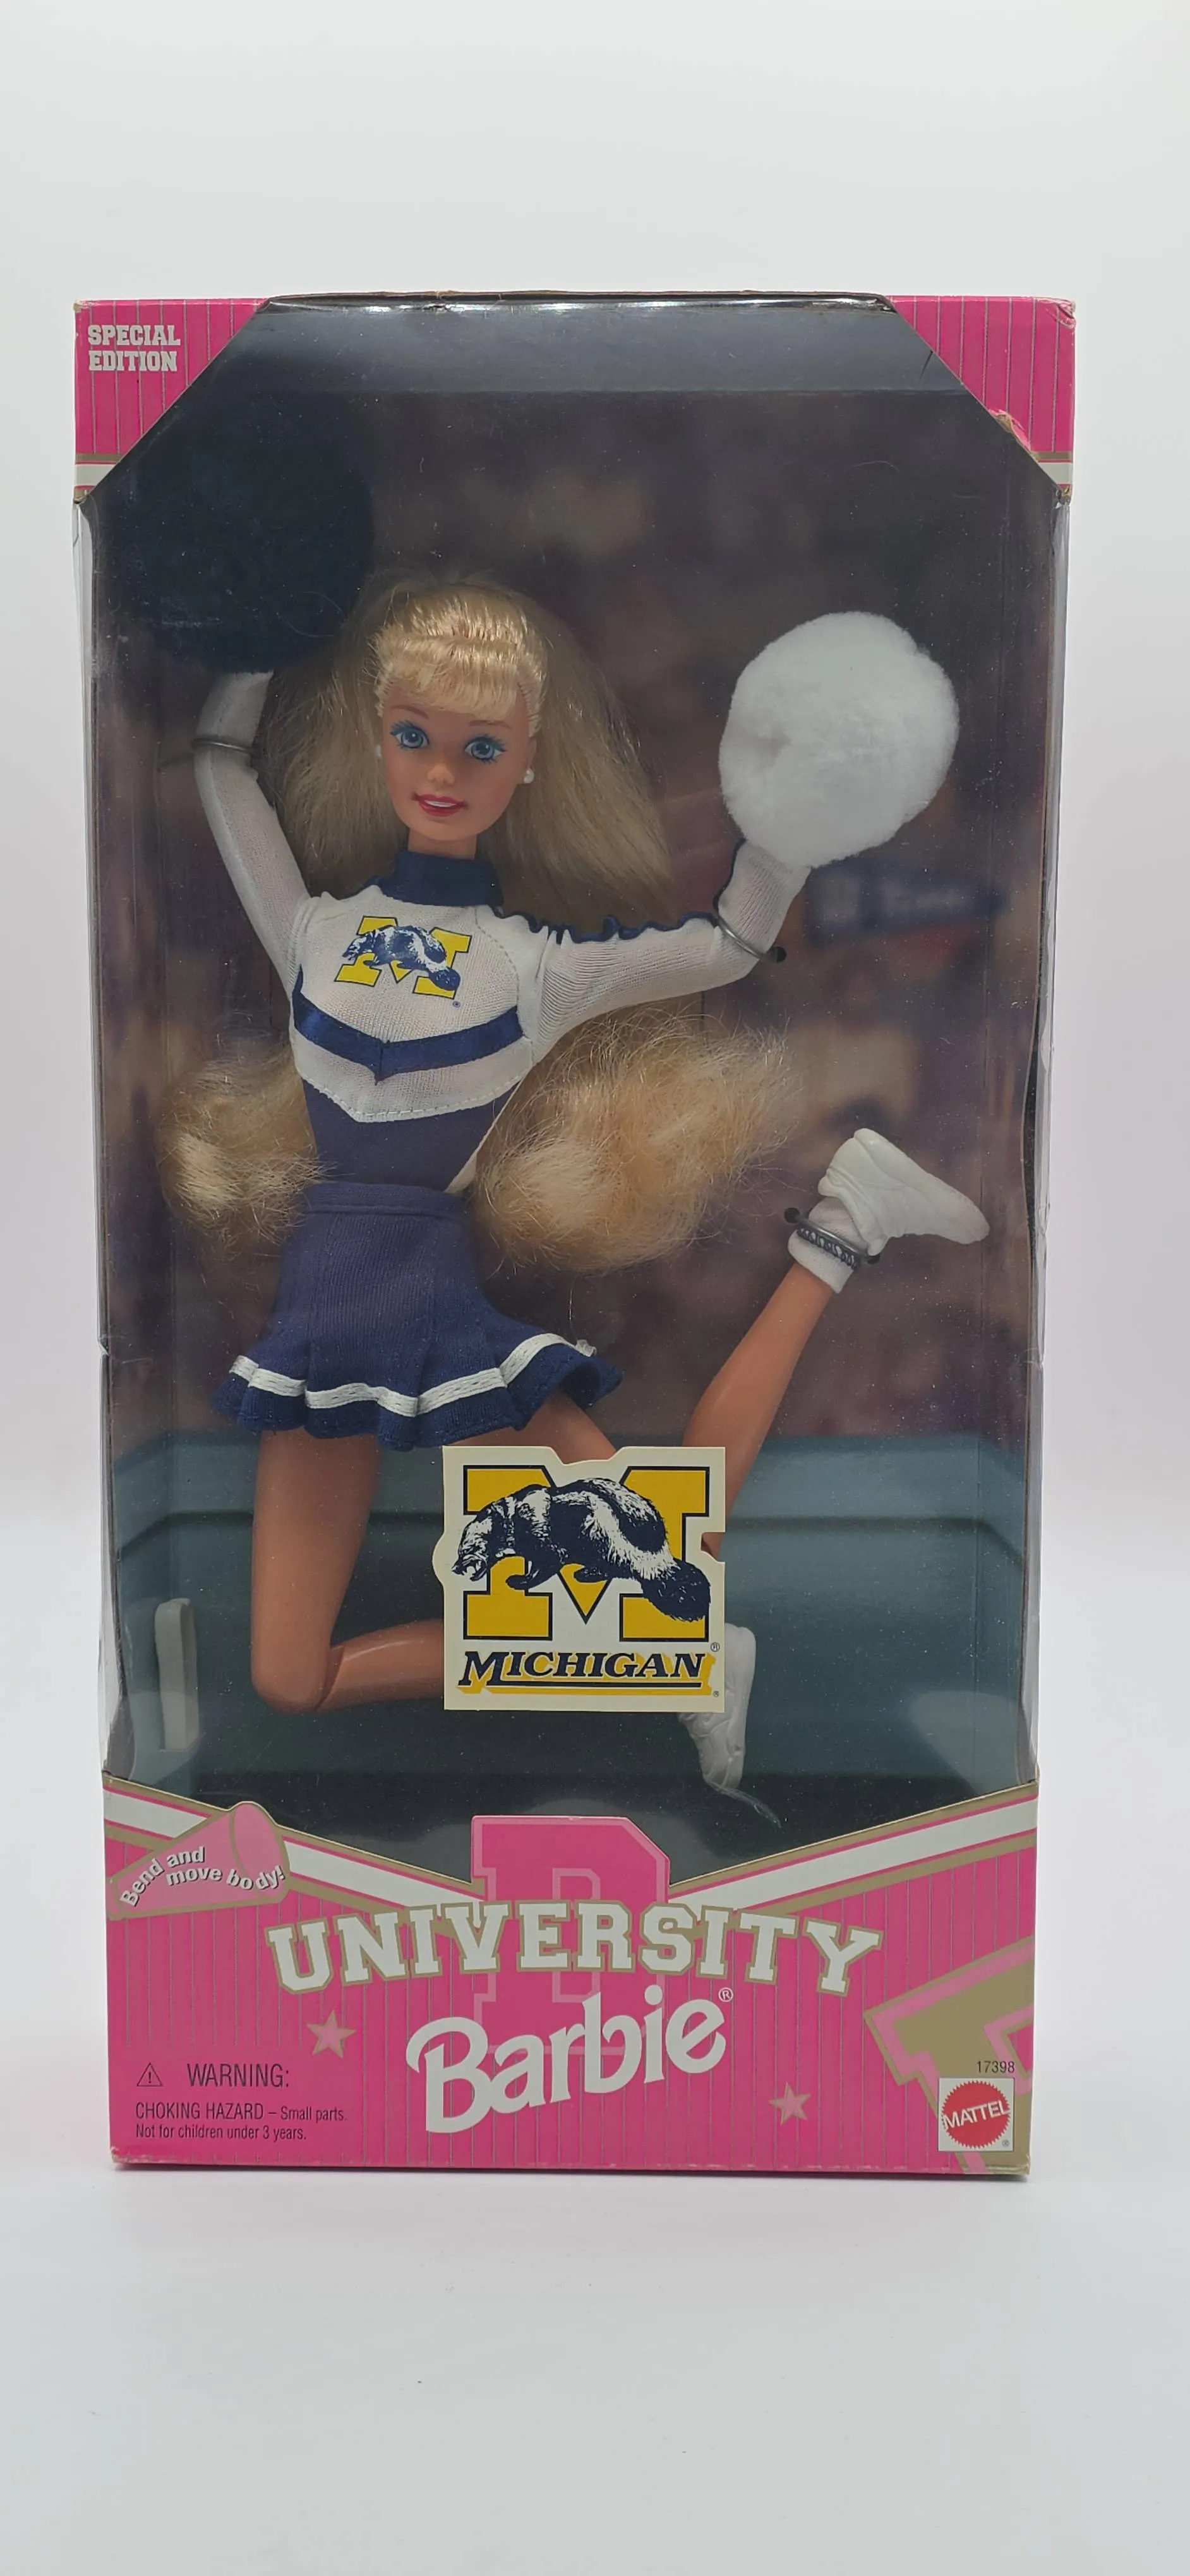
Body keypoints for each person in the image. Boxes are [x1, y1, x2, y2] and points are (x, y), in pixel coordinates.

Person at [162, 574, 984, 1791]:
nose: (444, 772)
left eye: (482, 747)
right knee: (292, 1676)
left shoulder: (535, 966)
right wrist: (260, 630)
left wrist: (786, 821)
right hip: (320, 1326)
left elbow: (731, 944)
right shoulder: (314, 931)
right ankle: (684, 1651)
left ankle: (839, 1235)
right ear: (377, 737)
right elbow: (222, 761)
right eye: (415, 736)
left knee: (671, 1536)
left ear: (529, 762)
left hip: (433, 1311)